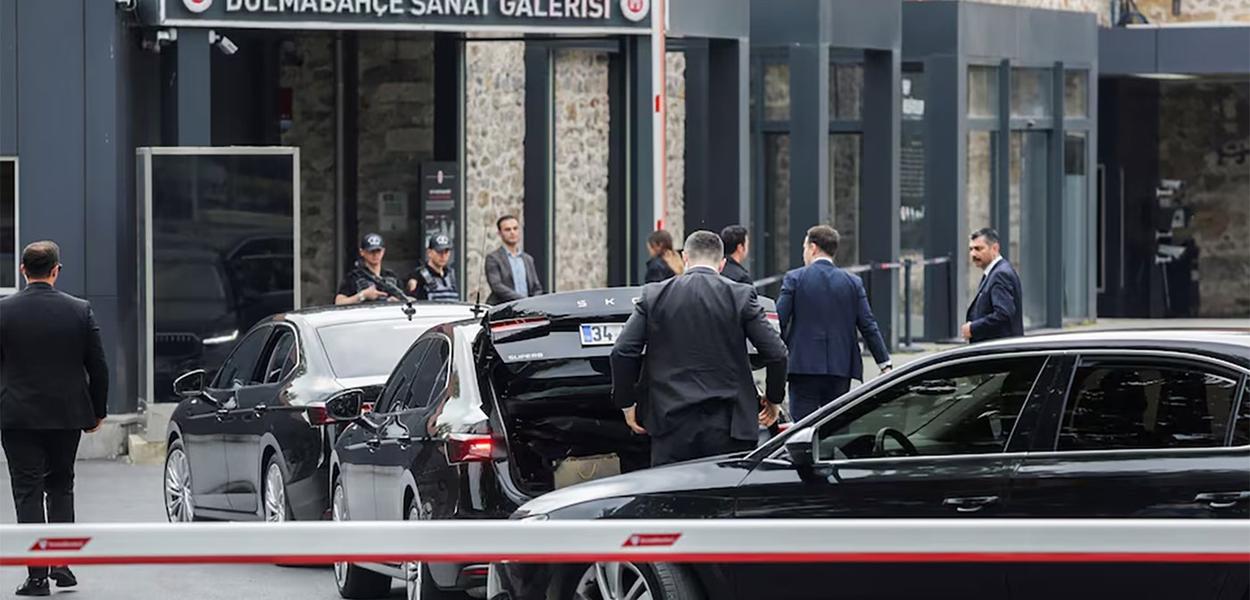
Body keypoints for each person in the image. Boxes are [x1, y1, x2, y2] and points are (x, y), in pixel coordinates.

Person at [611, 230, 788, 467]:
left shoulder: (654, 295)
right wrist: (773, 399)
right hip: (729, 425)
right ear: (722, 263)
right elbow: (776, 352)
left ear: (685, 258)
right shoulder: (741, 295)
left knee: (671, 498)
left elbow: (622, 351)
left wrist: (627, 403)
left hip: (670, 422)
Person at [0, 241, 109, 596]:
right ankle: (61, 564)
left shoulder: (4, 311)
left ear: (22, 270)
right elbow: (98, 365)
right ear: (56, 270)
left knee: (27, 493)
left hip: (17, 417)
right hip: (66, 415)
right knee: (61, 485)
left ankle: (37, 578)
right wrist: (97, 411)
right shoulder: (80, 310)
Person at [778, 225, 891, 422]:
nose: (804, 253)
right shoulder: (852, 282)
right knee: (835, 426)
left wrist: (774, 357)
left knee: (801, 428)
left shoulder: (795, 278)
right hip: (841, 366)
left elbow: (778, 320)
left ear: (813, 248)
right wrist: (884, 364)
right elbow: (868, 325)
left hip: (803, 367)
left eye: (804, 248)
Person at [963, 227, 1024, 343]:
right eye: (971, 249)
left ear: (995, 248)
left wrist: (973, 328)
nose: (973, 254)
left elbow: (1003, 315)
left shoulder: (1000, 274)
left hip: (1000, 352)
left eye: (978, 249)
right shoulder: (994, 273)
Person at [484, 215, 543, 305]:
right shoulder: (493, 258)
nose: (512, 232)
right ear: (500, 233)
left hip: (527, 310)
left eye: (515, 228)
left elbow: (536, 287)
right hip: (502, 309)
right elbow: (496, 286)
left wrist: (533, 303)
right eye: (508, 229)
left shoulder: (528, 259)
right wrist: (522, 300)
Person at [335, 233, 403, 305]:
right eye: (371, 251)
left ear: (383, 251)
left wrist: (396, 302)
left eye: (378, 251)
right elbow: (339, 302)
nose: (375, 255)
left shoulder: (392, 276)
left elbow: (406, 300)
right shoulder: (354, 277)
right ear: (362, 252)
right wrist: (363, 295)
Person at [406, 234, 459, 302]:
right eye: (439, 252)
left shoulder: (451, 274)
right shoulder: (418, 275)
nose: (443, 256)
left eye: (446, 252)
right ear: (429, 252)